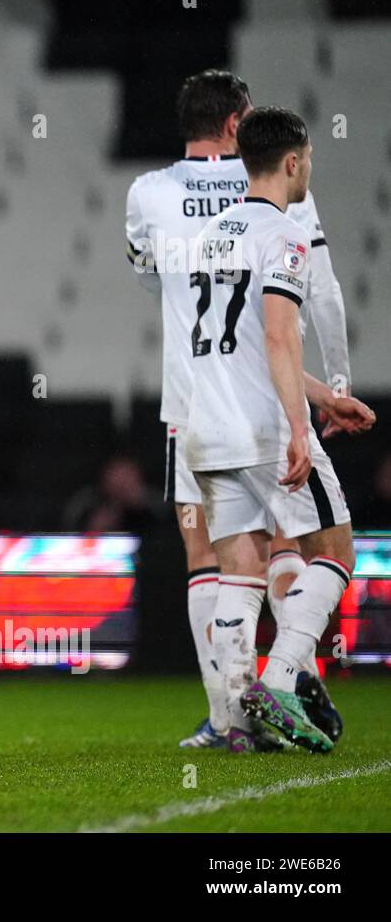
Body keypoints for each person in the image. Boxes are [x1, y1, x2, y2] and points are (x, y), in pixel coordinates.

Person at [125, 70, 355, 748]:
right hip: (263, 406)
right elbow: (313, 306)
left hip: (192, 409)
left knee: (220, 564)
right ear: (239, 126)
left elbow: (148, 277)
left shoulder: (153, 196)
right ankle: (287, 673)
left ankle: (231, 715)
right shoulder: (283, 214)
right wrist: (328, 390)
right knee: (312, 548)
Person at [185, 106, 375, 752]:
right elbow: (275, 335)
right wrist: (302, 424)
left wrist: (324, 396)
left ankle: (239, 723)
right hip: (263, 428)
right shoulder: (286, 235)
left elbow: (233, 344)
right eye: (310, 161)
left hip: (205, 425)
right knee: (337, 551)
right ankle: (281, 678)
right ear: (292, 162)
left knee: (240, 568)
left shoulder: (211, 234)